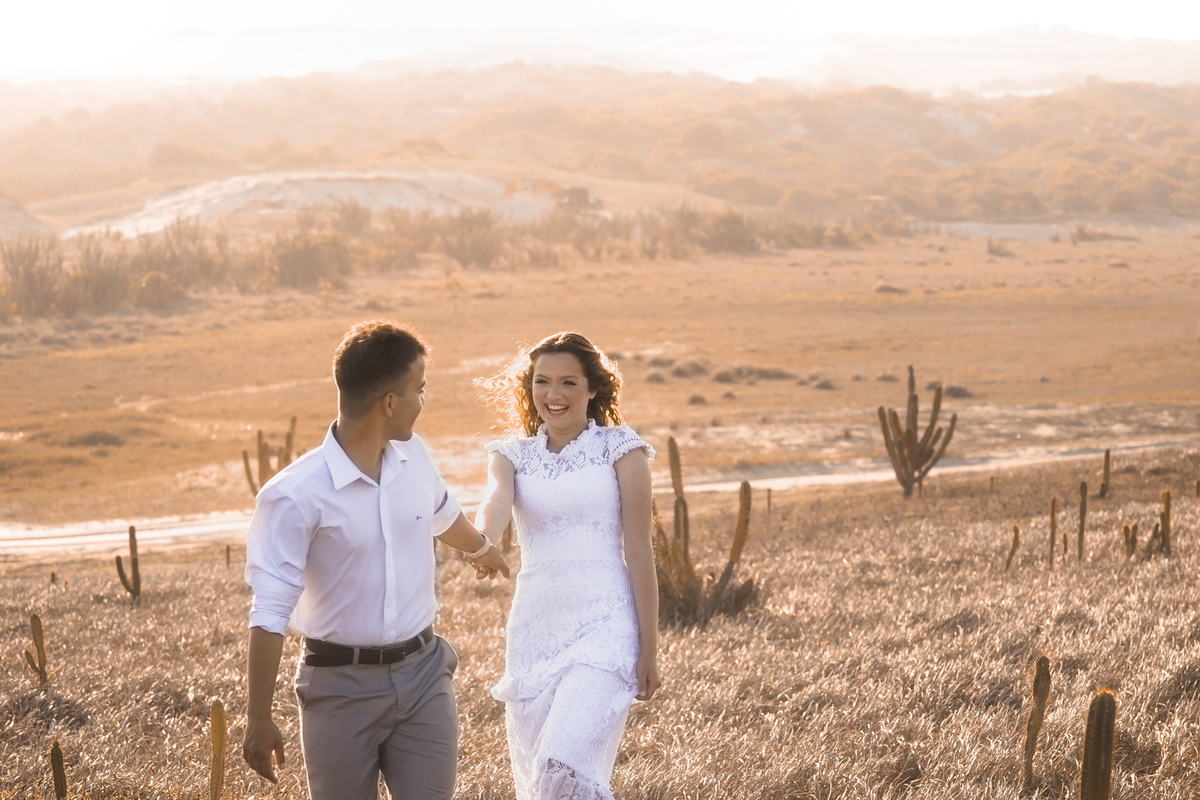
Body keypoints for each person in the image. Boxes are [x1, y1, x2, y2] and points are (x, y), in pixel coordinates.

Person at [242, 320, 510, 800]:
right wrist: (258, 718)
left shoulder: (414, 457)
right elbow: (269, 611)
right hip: (337, 691)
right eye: (419, 390)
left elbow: (440, 513)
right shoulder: (294, 495)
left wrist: (480, 548)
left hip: (424, 675)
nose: (422, 402)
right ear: (390, 403)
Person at [473, 331, 662, 800]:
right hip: (534, 633)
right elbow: (495, 500)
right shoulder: (511, 455)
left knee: (563, 762)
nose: (553, 394)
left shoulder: (622, 449)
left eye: (568, 382)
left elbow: (640, 551)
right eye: (542, 381)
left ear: (593, 388)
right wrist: (482, 540)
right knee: (544, 782)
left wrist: (650, 648)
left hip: (605, 630)